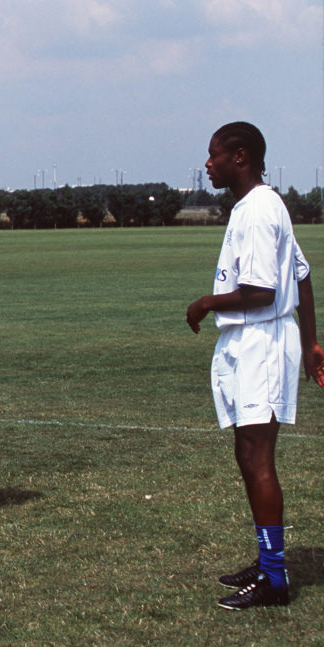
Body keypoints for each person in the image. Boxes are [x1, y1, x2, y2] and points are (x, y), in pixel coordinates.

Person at [187, 122, 324, 609]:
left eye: (214, 155)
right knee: (248, 453)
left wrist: (205, 302)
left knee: (257, 455)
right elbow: (303, 276)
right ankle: (268, 563)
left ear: (239, 157)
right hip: (256, 341)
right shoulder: (254, 207)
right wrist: (312, 344)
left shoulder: (261, 208)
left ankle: (275, 580)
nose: (208, 164)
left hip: (262, 341)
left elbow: (263, 291)